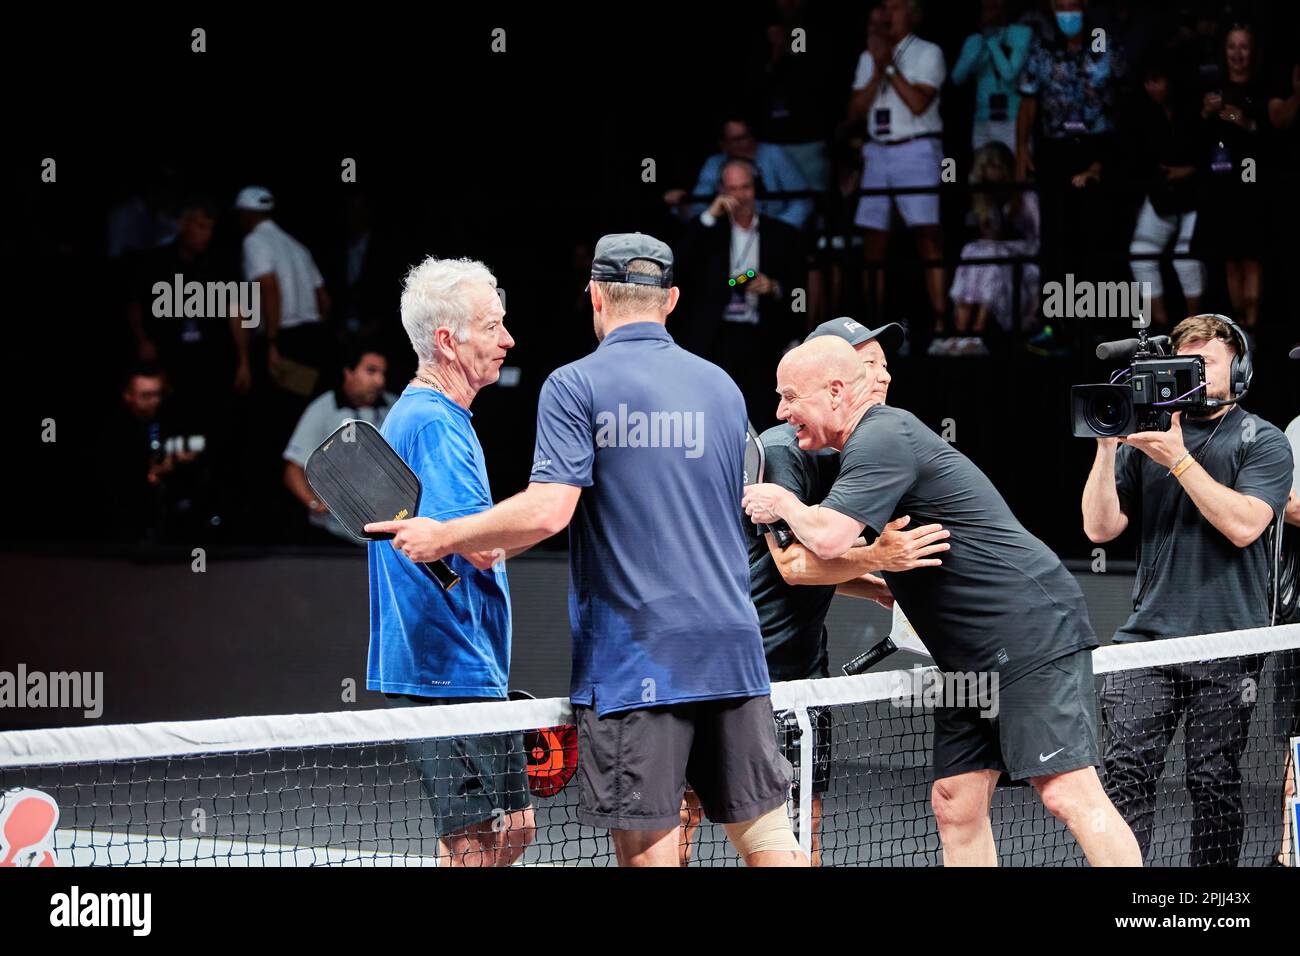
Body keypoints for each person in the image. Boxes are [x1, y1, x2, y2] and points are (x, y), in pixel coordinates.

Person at [367, 233, 807, 867]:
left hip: (637, 666)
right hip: (732, 652)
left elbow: (548, 512)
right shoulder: (723, 388)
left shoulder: (575, 386)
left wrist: (443, 536)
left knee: (649, 853)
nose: (509, 338)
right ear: (674, 299)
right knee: (768, 840)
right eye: (495, 325)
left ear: (595, 296)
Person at [743, 335, 1142, 867]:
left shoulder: (881, 436)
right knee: (956, 801)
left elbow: (833, 538)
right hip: (966, 659)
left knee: (1067, 793)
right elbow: (851, 561)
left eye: (790, 396)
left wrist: (786, 503)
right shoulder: (862, 445)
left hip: (1027, 636)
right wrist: (885, 579)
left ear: (835, 391)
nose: (780, 411)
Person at [680, 316, 949, 866]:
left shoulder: (862, 451)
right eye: (872, 364)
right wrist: (879, 559)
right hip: (735, 669)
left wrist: (873, 587)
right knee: (688, 811)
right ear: (836, 375)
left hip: (802, 668)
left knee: (805, 818)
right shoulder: (784, 449)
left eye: (885, 366)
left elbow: (821, 562)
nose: (885, 377)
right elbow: (795, 567)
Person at [1081, 313, 1294, 866]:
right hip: (1147, 642)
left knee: (1213, 780)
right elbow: (1100, 529)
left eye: (1208, 363)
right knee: (1125, 774)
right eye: (1185, 361)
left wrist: (1178, 458)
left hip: (1228, 641)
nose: (1194, 373)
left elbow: (1246, 525)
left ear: (1239, 370)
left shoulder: (1263, 440)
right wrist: (1108, 445)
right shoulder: (1143, 440)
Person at [364, 256, 534, 867]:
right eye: (492, 327)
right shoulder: (435, 423)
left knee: (496, 834)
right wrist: (560, 507)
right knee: (487, 836)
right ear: (447, 340)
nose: (508, 340)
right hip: (446, 665)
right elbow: (483, 550)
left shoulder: (428, 415)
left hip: (449, 661)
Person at [1016, 0, 1127, 351]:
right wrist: (1022, 149)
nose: (1067, 12)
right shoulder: (1042, 50)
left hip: (1098, 149)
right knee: (1057, 242)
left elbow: (1123, 99)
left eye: (1073, 5)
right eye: (1061, 5)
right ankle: (1058, 326)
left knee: (1098, 239)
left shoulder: (1106, 45)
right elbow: (1029, 100)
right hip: (1056, 152)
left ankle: (1102, 326)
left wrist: (1107, 161)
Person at [674, 158, 807, 428]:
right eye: (732, 189)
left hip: (761, 333)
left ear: (757, 188)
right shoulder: (709, 230)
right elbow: (680, 265)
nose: (739, 196)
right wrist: (709, 215)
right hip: (715, 335)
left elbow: (799, 290)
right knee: (711, 414)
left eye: (745, 187)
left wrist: (774, 286)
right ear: (721, 190)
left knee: (761, 412)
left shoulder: (781, 233)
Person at [847, 0, 947, 337]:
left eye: (896, 7)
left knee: (927, 236)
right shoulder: (868, 55)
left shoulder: (928, 52)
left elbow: (919, 102)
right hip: (878, 150)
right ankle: (872, 323)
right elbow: (856, 110)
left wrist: (889, 65)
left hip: (916, 147)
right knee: (873, 237)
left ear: (914, 13)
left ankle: (942, 322)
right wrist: (877, 67)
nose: (888, 13)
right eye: (884, 7)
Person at [1191, 25, 1271, 331]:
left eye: (1244, 47)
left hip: (1251, 184)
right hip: (1220, 187)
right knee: (1229, 259)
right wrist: (1204, 114)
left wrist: (1244, 121)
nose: (1237, 54)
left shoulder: (1261, 88)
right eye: (1231, 47)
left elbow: (1270, 139)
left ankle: (1254, 323)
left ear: (1252, 52)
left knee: (1251, 256)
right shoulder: (1214, 87)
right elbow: (1197, 142)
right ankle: (1239, 324)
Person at [282, 341, 396, 544]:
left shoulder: (395, 407)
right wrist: (314, 503)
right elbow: (293, 468)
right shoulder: (323, 408)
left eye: (383, 373)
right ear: (349, 372)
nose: (379, 381)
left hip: (389, 531)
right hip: (335, 533)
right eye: (371, 371)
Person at [1126, 59, 1203, 330]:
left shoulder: (1195, 109)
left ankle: (1195, 327)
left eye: (1156, 81)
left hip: (1197, 196)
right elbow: (1138, 160)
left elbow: (1210, 154)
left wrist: (1189, 170)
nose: (1151, 87)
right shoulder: (1141, 113)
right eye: (1147, 82)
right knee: (1140, 252)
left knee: (1185, 257)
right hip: (1162, 196)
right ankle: (1160, 327)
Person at [945, 141, 1040, 355]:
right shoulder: (986, 197)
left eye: (995, 166)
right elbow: (991, 235)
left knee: (992, 257)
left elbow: (1037, 239)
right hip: (999, 250)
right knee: (970, 250)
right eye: (986, 167)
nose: (991, 172)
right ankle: (960, 333)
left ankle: (977, 332)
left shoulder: (1026, 198)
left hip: (1026, 255)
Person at [668, 117, 814, 231]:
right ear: (722, 144)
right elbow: (697, 211)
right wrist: (683, 204)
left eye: (746, 137)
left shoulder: (775, 154)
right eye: (736, 140)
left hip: (778, 234)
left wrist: (777, 230)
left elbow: (802, 201)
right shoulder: (714, 164)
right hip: (727, 238)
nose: (743, 144)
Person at [951, 0, 1033, 151]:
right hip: (983, 122)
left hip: (1013, 121)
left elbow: (1009, 75)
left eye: (995, 5)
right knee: (982, 172)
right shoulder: (974, 39)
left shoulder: (1021, 33)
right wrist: (978, 44)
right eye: (986, 7)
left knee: (1016, 173)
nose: (990, 10)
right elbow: (957, 78)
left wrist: (992, 42)